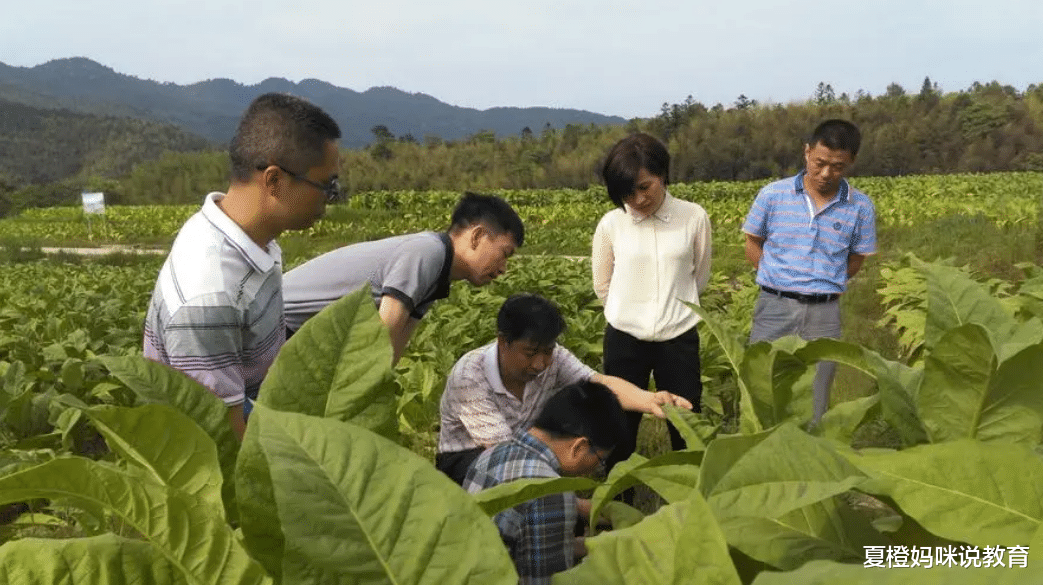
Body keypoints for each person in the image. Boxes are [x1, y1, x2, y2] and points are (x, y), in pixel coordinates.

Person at [143, 93, 342, 440]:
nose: (331, 197)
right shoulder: (210, 297)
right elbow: (224, 437)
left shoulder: (247, 235)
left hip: (253, 396)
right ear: (275, 181)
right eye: (326, 185)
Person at [437, 293, 692, 485]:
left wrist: (649, 400)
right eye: (529, 353)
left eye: (547, 352)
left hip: (523, 451)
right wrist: (575, 507)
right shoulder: (470, 376)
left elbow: (598, 381)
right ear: (503, 341)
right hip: (469, 460)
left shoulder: (554, 359)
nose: (540, 364)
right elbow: (505, 458)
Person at [742, 119, 877, 424]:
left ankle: (808, 460)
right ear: (807, 153)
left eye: (838, 166)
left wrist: (826, 282)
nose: (827, 173)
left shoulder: (860, 207)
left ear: (851, 162)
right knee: (763, 388)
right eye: (820, 163)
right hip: (774, 306)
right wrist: (777, 277)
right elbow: (752, 242)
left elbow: (856, 259)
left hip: (824, 313)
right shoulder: (772, 195)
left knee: (817, 396)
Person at [283, 192, 523, 364]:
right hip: (269, 327)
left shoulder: (439, 274)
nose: (503, 269)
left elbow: (392, 352)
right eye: (504, 254)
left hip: (298, 339)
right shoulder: (428, 252)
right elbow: (383, 335)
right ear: (477, 236)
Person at [591, 132, 712, 466]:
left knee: (685, 422)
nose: (637, 199)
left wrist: (673, 308)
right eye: (626, 192)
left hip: (678, 337)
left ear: (663, 175)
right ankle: (617, 500)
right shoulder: (611, 224)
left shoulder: (694, 217)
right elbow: (603, 284)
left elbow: (698, 276)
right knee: (619, 422)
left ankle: (690, 498)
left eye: (644, 187)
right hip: (624, 338)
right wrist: (626, 313)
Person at [463, 380, 630, 584]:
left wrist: (599, 544)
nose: (596, 469)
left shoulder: (490, 455)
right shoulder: (550, 491)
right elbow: (545, 579)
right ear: (578, 447)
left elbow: (528, 545)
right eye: (600, 460)